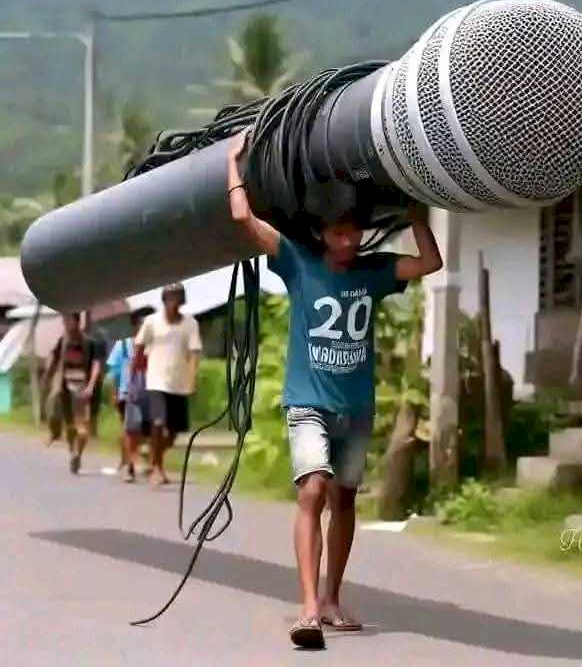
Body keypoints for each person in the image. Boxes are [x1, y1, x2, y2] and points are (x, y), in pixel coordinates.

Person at [226, 130, 443, 649]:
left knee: (344, 499)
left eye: (355, 232)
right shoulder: (297, 262)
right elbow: (242, 220)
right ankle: (307, 609)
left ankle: (331, 598)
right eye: (339, 233)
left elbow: (430, 263)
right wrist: (233, 162)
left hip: (356, 408)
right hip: (308, 404)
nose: (348, 242)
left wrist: (416, 213)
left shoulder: (375, 271)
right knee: (313, 489)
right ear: (322, 232)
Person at [133, 284, 202, 488]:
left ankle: (155, 456)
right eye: (171, 297)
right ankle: (156, 468)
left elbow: (194, 353)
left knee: (173, 432)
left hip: (179, 384)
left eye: (178, 298)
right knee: (158, 423)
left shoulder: (190, 324)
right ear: (164, 300)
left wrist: (192, 378)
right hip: (156, 381)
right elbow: (139, 346)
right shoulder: (152, 322)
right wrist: (135, 372)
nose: (174, 302)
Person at [43, 312, 103, 474]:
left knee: (82, 428)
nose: (66, 325)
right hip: (64, 387)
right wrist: (47, 378)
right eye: (65, 321)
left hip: (82, 388)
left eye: (69, 321)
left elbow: (96, 366)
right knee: (66, 423)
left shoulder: (90, 343)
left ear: (77, 323)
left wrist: (91, 386)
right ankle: (69, 448)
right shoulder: (63, 341)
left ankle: (77, 454)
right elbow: (54, 360)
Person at [106, 308, 153, 481]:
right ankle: (129, 464)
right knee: (129, 430)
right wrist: (114, 393)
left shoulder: (154, 347)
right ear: (136, 326)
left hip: (150, 392)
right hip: (127, 394)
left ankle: (136, 461)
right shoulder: (124, 346)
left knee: (147, 431)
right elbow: (113, 373)